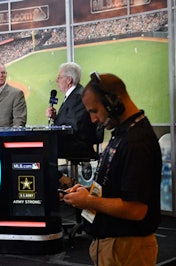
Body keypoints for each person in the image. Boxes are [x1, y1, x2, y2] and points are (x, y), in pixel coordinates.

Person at [62, 72, 162, 265]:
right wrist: (86, 194)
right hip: (115, 246)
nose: (92, 119)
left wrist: (88, 201)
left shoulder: (136, 142)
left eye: (94, 111)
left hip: (126, 249)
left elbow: (135, 209)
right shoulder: (124, 133)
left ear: (112, 102)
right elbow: (114, 189)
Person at [46, 62, 102, 188]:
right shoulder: (75, 95)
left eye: (59, 77)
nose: (56, 80)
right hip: (73, 141)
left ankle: (63, 180)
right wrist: (56, 118)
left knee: (40, 150)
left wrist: (56, 127)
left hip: (77, 144)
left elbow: (74, 127)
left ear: (69, 80)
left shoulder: (77, 97)